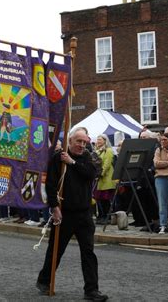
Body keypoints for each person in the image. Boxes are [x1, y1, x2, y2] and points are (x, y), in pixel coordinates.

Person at [36, 128, 108, 301]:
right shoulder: (58, 159)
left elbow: (91, 174)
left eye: (84, 142)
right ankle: (44, 281)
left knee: (88, 252)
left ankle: (91, 290)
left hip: (84, 213)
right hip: (64, 213)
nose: (82, 145)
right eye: (78, 141)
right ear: (70, 141)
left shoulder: (87, 158)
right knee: (56, 250)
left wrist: (72, 163)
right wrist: (54, 207)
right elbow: (51, 185)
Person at [153, 132, 168, 234]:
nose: (163, 142)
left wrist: (164, 165)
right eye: (162, 140)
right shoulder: (158, 150)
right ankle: (163, 224)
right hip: (160, 178)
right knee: (162, 203)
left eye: (165, 140)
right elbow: (156, 163)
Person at [93, 134, 117, 224]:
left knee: (105, 198)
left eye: (100, 139)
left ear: (105, 140)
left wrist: (100, 174)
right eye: (97, 139)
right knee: (99, 198)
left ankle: (107, 217)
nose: (98, 141)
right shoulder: (97, 151)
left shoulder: (109, 150)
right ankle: (101, 216)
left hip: (106, 178)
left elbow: (106, 164)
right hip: (98, 179)